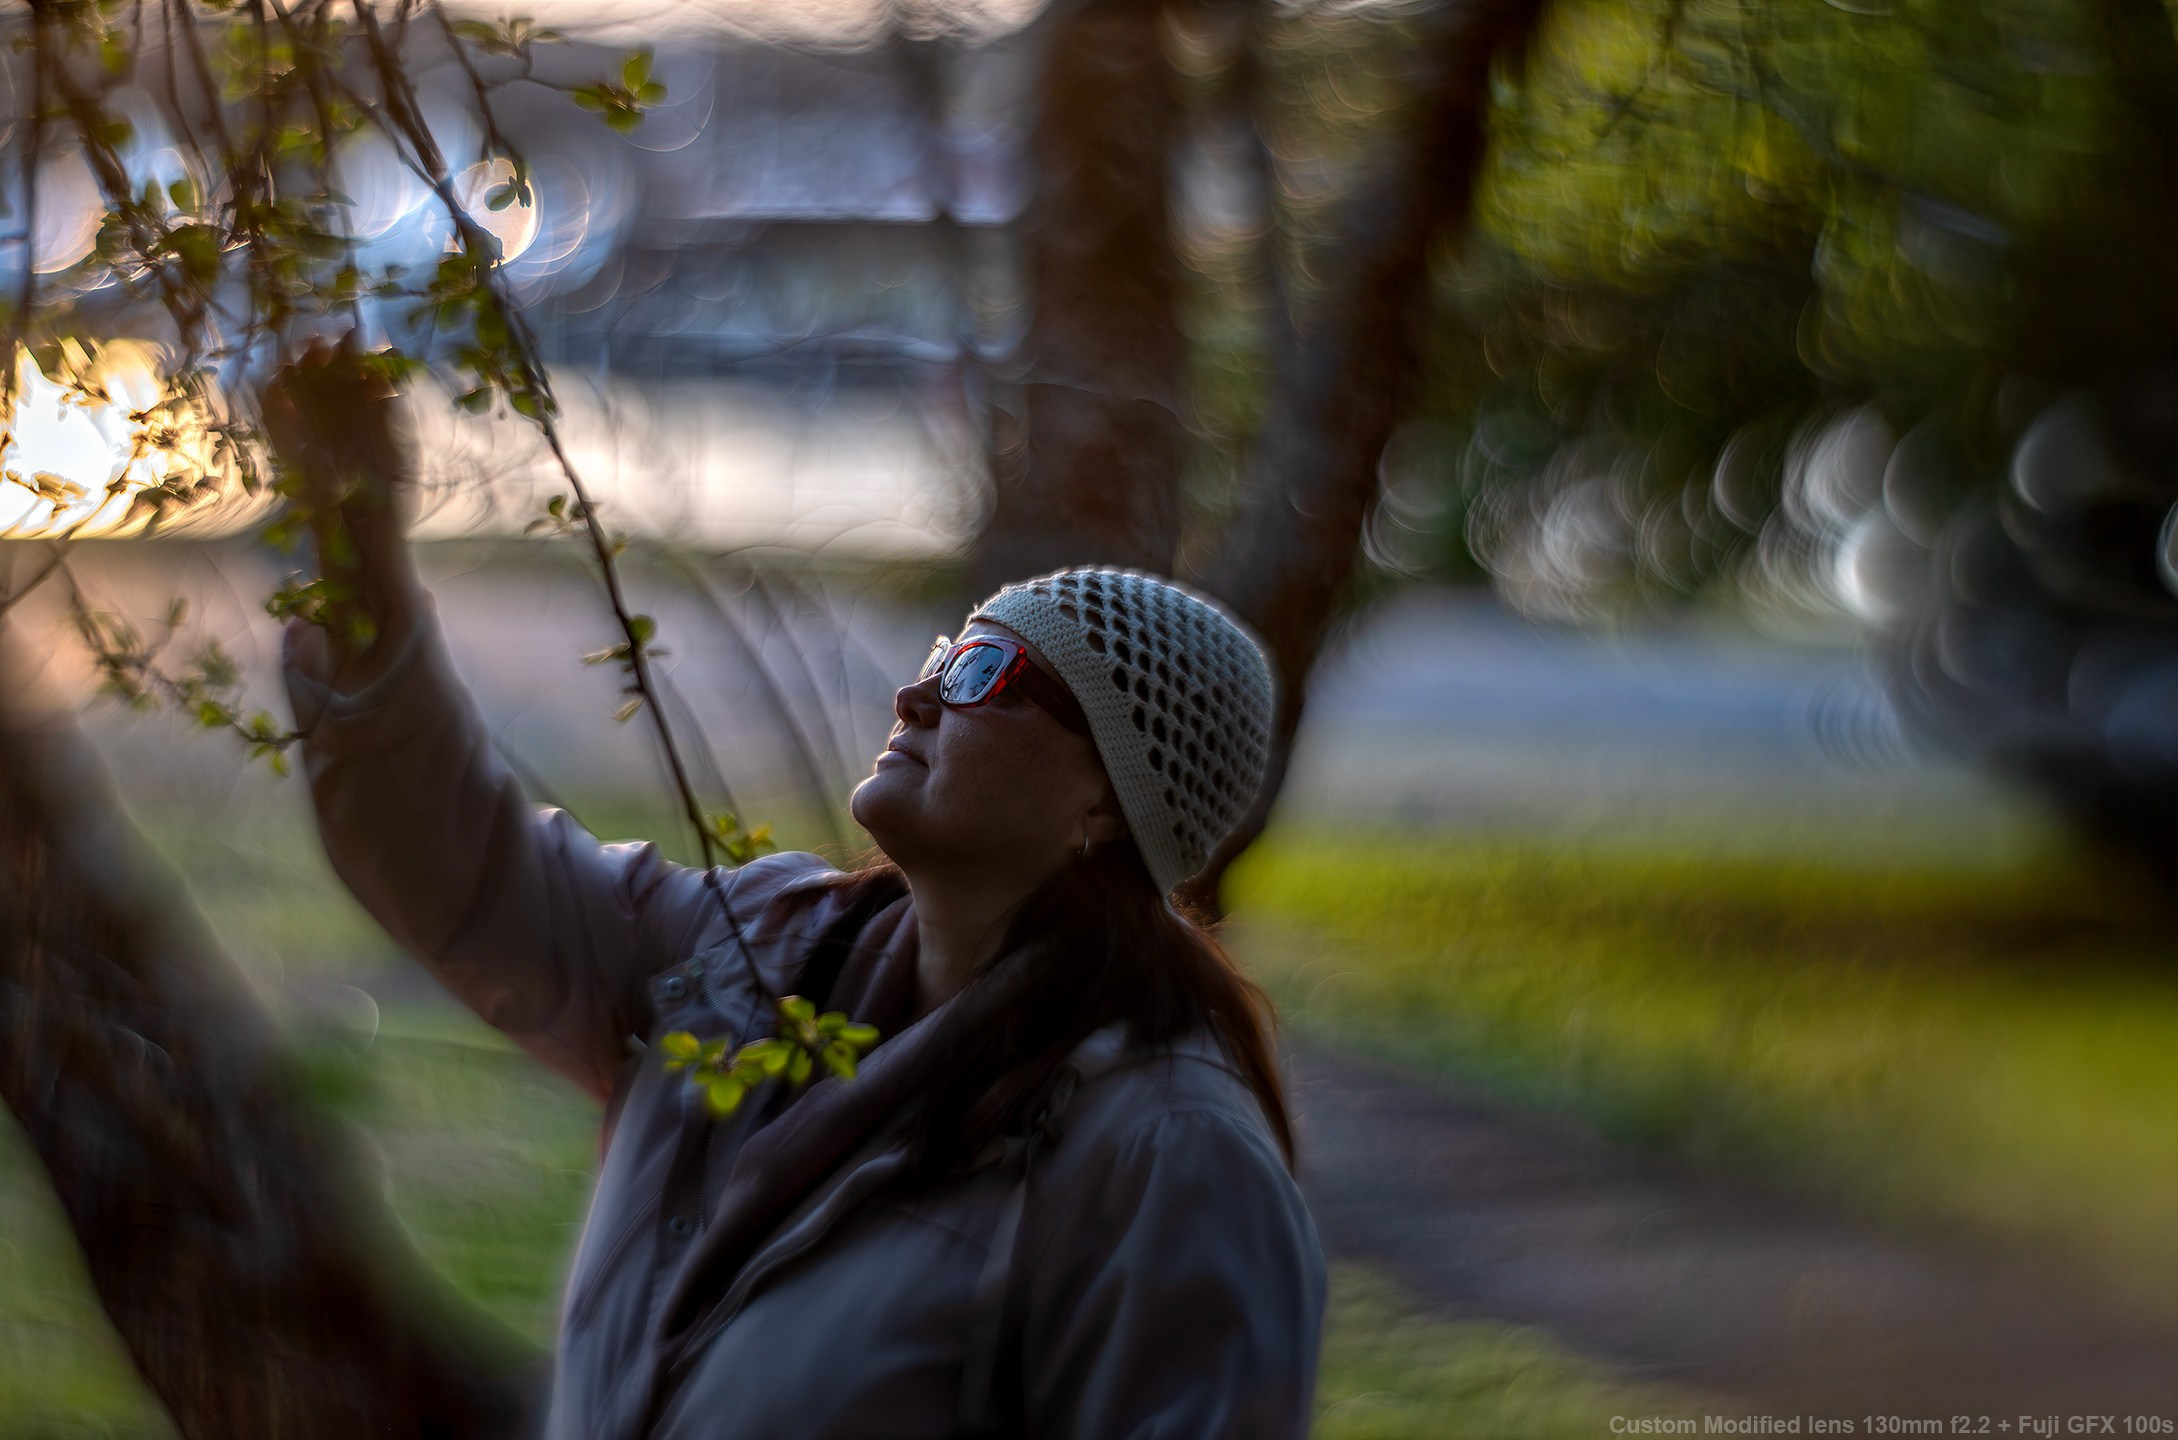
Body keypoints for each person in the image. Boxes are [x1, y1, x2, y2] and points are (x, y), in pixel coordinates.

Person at [265, 345, 1327, 1440]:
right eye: (941, 651)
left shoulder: (1168, 1162)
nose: (916, 694)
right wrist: (356, 551)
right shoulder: (742, 950)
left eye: (982, 675)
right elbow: (456, 869)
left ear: (1105, 804)